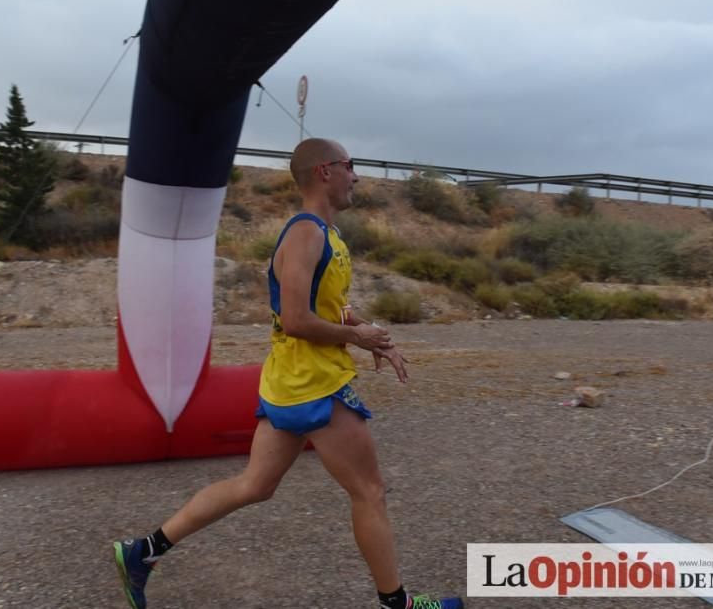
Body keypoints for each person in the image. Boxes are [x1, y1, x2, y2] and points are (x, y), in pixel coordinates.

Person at [113, 138, 464, 609]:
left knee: (254, 485)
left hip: (293, 381)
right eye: (349, 166)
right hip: (312, 383)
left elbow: (332, 309)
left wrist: (368, 333)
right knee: (370, 491)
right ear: (324, 171)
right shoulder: (305, 233)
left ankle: (144, 552)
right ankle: (396, 604)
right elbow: (296, 320)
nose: (356, 176)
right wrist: (356, 340)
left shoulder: (329, 236)